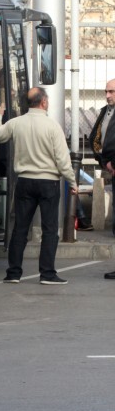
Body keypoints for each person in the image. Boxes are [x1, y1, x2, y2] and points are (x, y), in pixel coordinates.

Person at [0, 87, 78, 285]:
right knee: (49, 230)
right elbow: (63, 161)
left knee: (20, 228)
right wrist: (72, 183)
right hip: (48, 183)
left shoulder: (16, 123)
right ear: (44, 102)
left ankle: (13, 273)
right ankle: (47, 274)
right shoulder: (52, 127)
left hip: (24, 182)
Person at [89, 79, 115, 278]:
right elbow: (95, 140)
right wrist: (104, 161)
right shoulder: (105, 112)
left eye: (111, 91)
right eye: (106, 91)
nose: (107, 95)